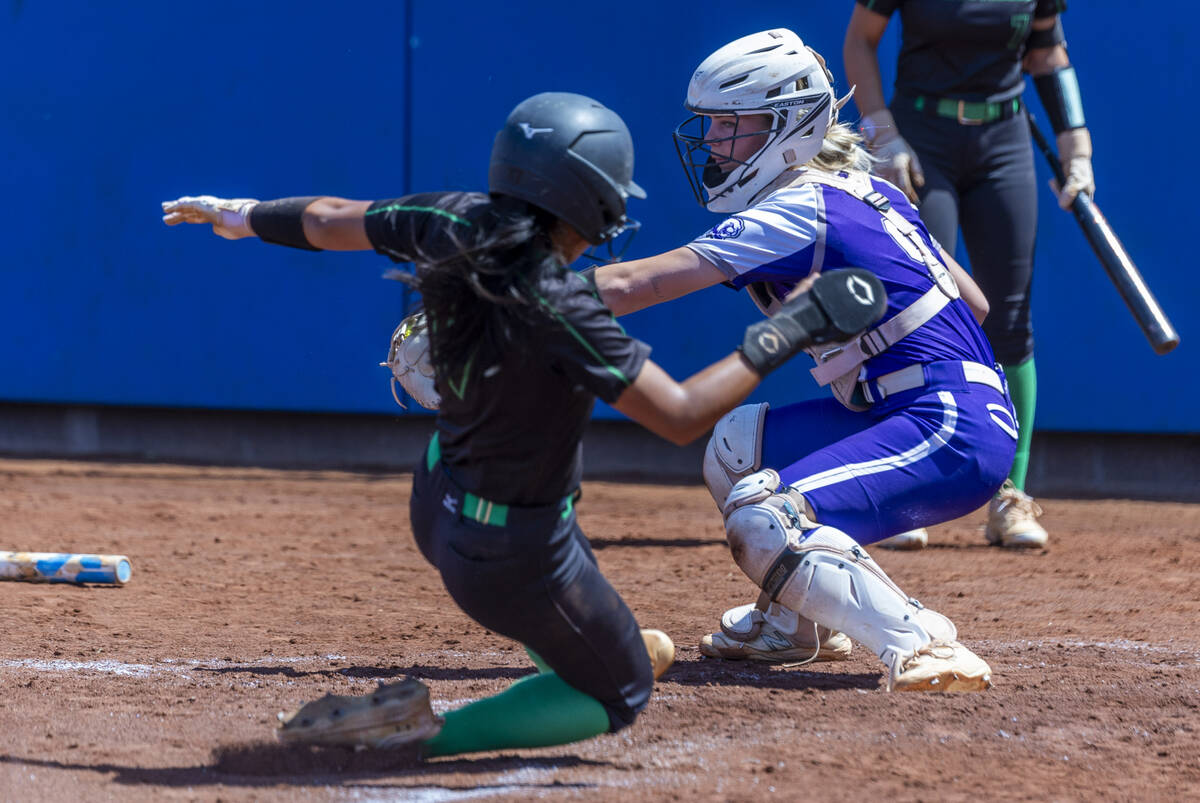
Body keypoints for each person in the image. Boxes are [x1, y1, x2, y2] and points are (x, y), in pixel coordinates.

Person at [161, 92, 888, 755]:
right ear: (588, 202)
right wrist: (794, 324)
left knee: (569, 552)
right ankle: (421, 734)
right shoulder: (561, 305)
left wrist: (242, 215)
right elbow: (680, 415)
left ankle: (586, 638)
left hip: (436, 504)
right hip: (508, 559)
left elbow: (324, 218)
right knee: (619, 688)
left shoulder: (450, 219)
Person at [590, 29, 1010, 682]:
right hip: (935, 406)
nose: (713, 142)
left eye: (732, 125)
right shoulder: (866, 190)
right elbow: (975, 304)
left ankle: (921, 643)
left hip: (948, 425)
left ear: (786, 127)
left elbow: (631, 284)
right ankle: (793, 623)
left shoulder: (796, 207)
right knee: (737, 448)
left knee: (765, 517)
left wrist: (506, 290)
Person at [844, 0, 1091, 550]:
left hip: (1003, 142)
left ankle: (1010, 497)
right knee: (915, 311)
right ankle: (898, 495)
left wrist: (1078, 146)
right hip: (919, 138)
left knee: (1009, 315)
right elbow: (860, 40)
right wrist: (881, 132)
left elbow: (1048, 54)